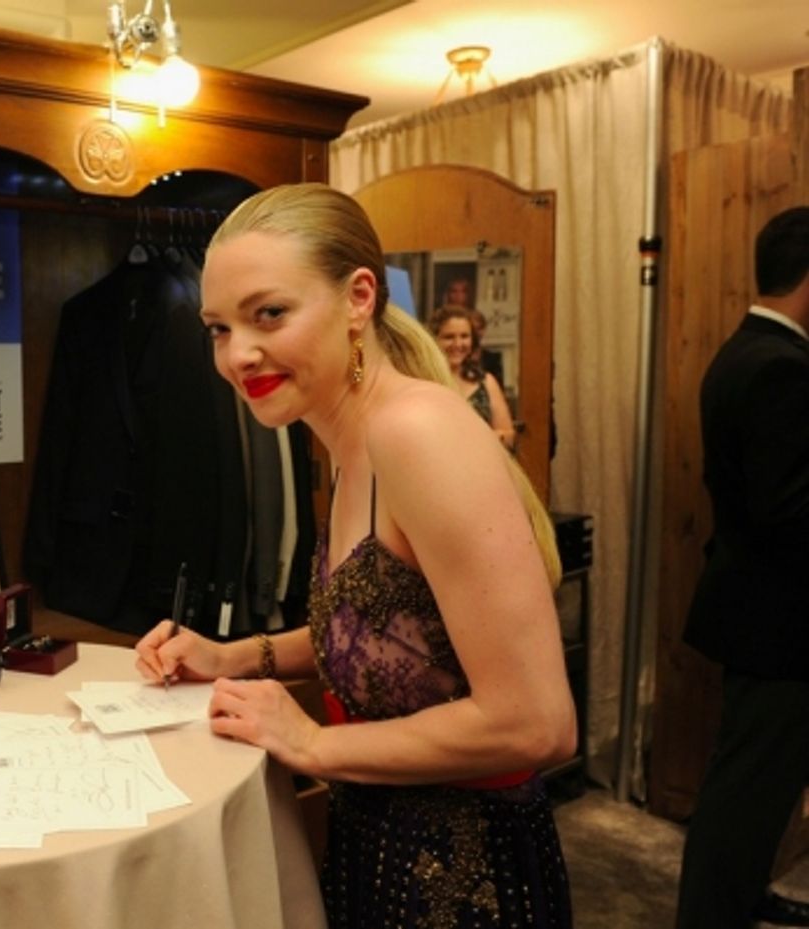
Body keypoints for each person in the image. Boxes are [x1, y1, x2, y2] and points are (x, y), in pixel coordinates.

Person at [135, 183, 576, 927]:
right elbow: (381, 630)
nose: (238, 353)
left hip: (461, 881)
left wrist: (310, 740)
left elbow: (537, 722)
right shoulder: (346, 440)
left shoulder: (417, 432)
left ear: (358, 297)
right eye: (217, 328)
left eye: (268, 313)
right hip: (379, 845)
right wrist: (230, 656)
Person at [675, 205, 809, 929]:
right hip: (780, 619)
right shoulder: (780, 366)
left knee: (753, 785)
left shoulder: (746, 350)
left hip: (759, 609)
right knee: (749, 788)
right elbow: (789, 508)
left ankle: (740, 892)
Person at [429, 305, 516, 451]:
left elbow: (508, 436)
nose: (458, 344)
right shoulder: (421, 382)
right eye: (449, 337)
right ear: (433, 340)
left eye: (464, 336)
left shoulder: (487, 382)